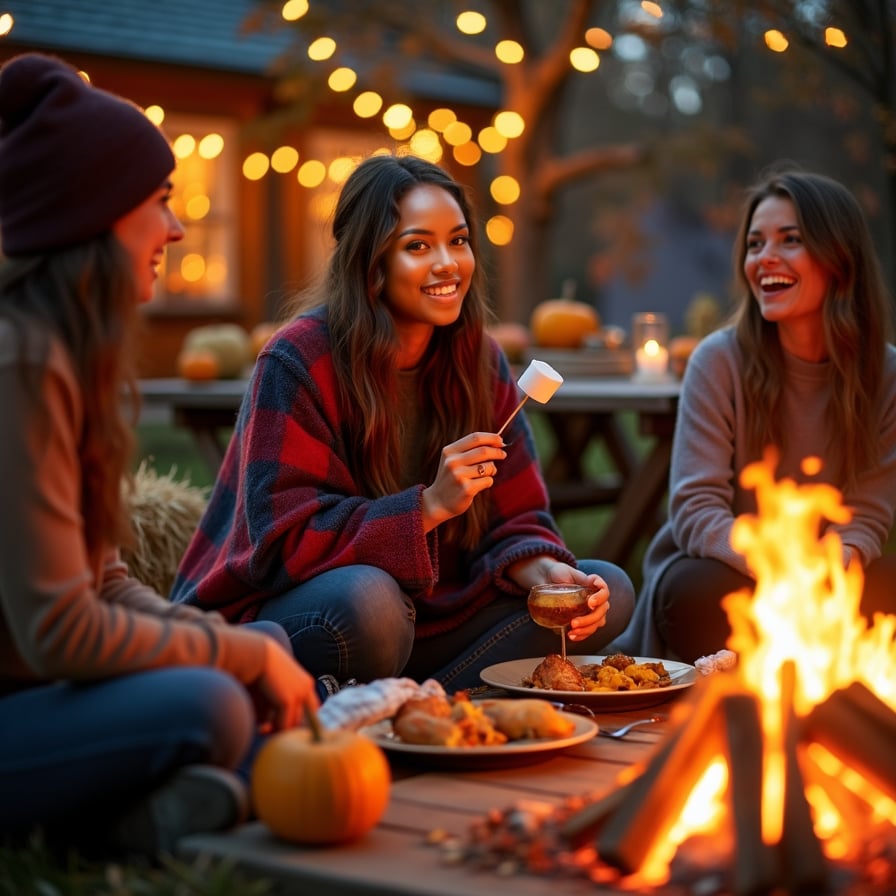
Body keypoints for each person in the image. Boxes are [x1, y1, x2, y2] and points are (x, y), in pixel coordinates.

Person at [0, 53, 318, 859]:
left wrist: (242, 646)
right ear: (99, 215)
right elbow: (59, 633)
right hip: (22, 697)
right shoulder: (21, 368)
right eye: (161, 203)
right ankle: (120, 825)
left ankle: (159, 813)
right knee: (211, 706)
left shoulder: (68, 358)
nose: (176, 230)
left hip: (37, 696)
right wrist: (232, 650)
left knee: (262, 665)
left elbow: (102, 581)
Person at [171, 153, 635, 692]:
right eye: (418, 246)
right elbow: (284, 544)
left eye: (458, 241)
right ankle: (421, 696)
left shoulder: (479, 361)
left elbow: (518, 515)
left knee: (611, 591)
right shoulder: (297, 360)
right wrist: (429, 507)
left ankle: (420, 700)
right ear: (371, 263)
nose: (447, 263)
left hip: (435, 614)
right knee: (372, 603)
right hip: (300, 611)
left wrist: (539, 571)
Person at [613, 166, 896, 663]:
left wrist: (826, 569)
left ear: (840, 257)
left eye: (790, 240)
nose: (766, 259)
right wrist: (782, 566)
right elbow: (696, 512)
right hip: (731, 568)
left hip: (830, 571)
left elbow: (869, 515)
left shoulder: (887, 374)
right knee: (696, 590)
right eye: (754, 244)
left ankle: (841, 711)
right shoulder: (718, 361)